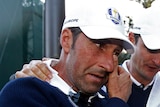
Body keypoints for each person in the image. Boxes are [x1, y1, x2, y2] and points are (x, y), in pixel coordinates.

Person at [14, 5, 160, 107]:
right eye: (99, 46)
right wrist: (117, 101)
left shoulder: (98, 97)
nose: (109, 65)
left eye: (116, 52)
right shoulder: (27, 93)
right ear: (66, 40)